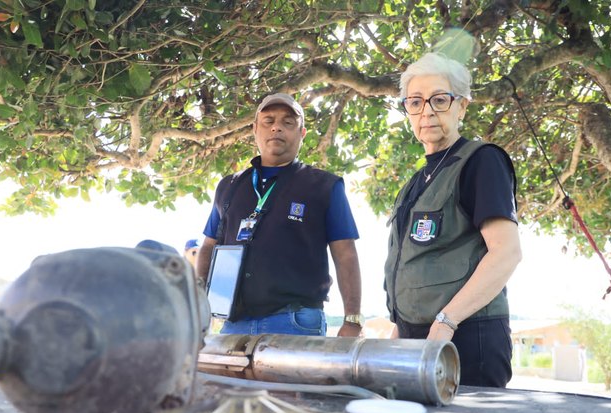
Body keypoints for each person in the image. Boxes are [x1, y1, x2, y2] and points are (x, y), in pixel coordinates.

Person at [384, 53, 522, 387]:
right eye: (415, 102)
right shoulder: (416, 182)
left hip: (466, 337)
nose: (427, 111)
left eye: (439, 100)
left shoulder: (481, 161)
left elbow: (506, 253)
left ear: (462, 106)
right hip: (416, 339)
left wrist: (446, 322)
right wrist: (397, 331)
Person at [197, 93, 363, 337]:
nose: (276, 127)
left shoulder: (324, 186)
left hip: (295, 322)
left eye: (288, 122)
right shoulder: (229, 186)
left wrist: (352, 320)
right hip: (233, 325)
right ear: (255, 129)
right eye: (268, 120)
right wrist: (198, 304)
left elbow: (345, 253)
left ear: (301, 133)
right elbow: (208, 247)